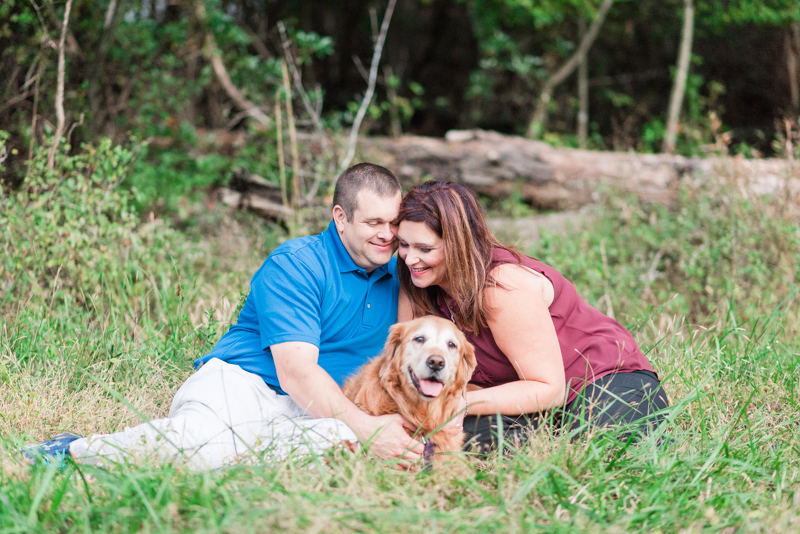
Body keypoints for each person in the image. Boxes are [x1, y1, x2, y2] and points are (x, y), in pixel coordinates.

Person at [24, 163, 425, 469]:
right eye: (374, 223)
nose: (388, 235)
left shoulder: (402, 272)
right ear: (341, 218)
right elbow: (296, 373)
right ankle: (73, 451)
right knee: (199, 449)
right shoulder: (298, 264)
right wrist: (367, 426)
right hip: (243, 385)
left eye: (393, 223)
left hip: (319, 406)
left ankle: (243, 452)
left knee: (344, 446)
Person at [394, 180, 669, 450]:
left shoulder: (502, 285)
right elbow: (405, 365)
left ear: (458, 245)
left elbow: (549, 388)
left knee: (594, 448)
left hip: (602, 379)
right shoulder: (415, 277)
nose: (409, 258)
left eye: (425, 249)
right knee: (436, 439)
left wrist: (459, 403)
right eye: (404, 244)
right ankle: (542, 434)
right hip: (523, 401)